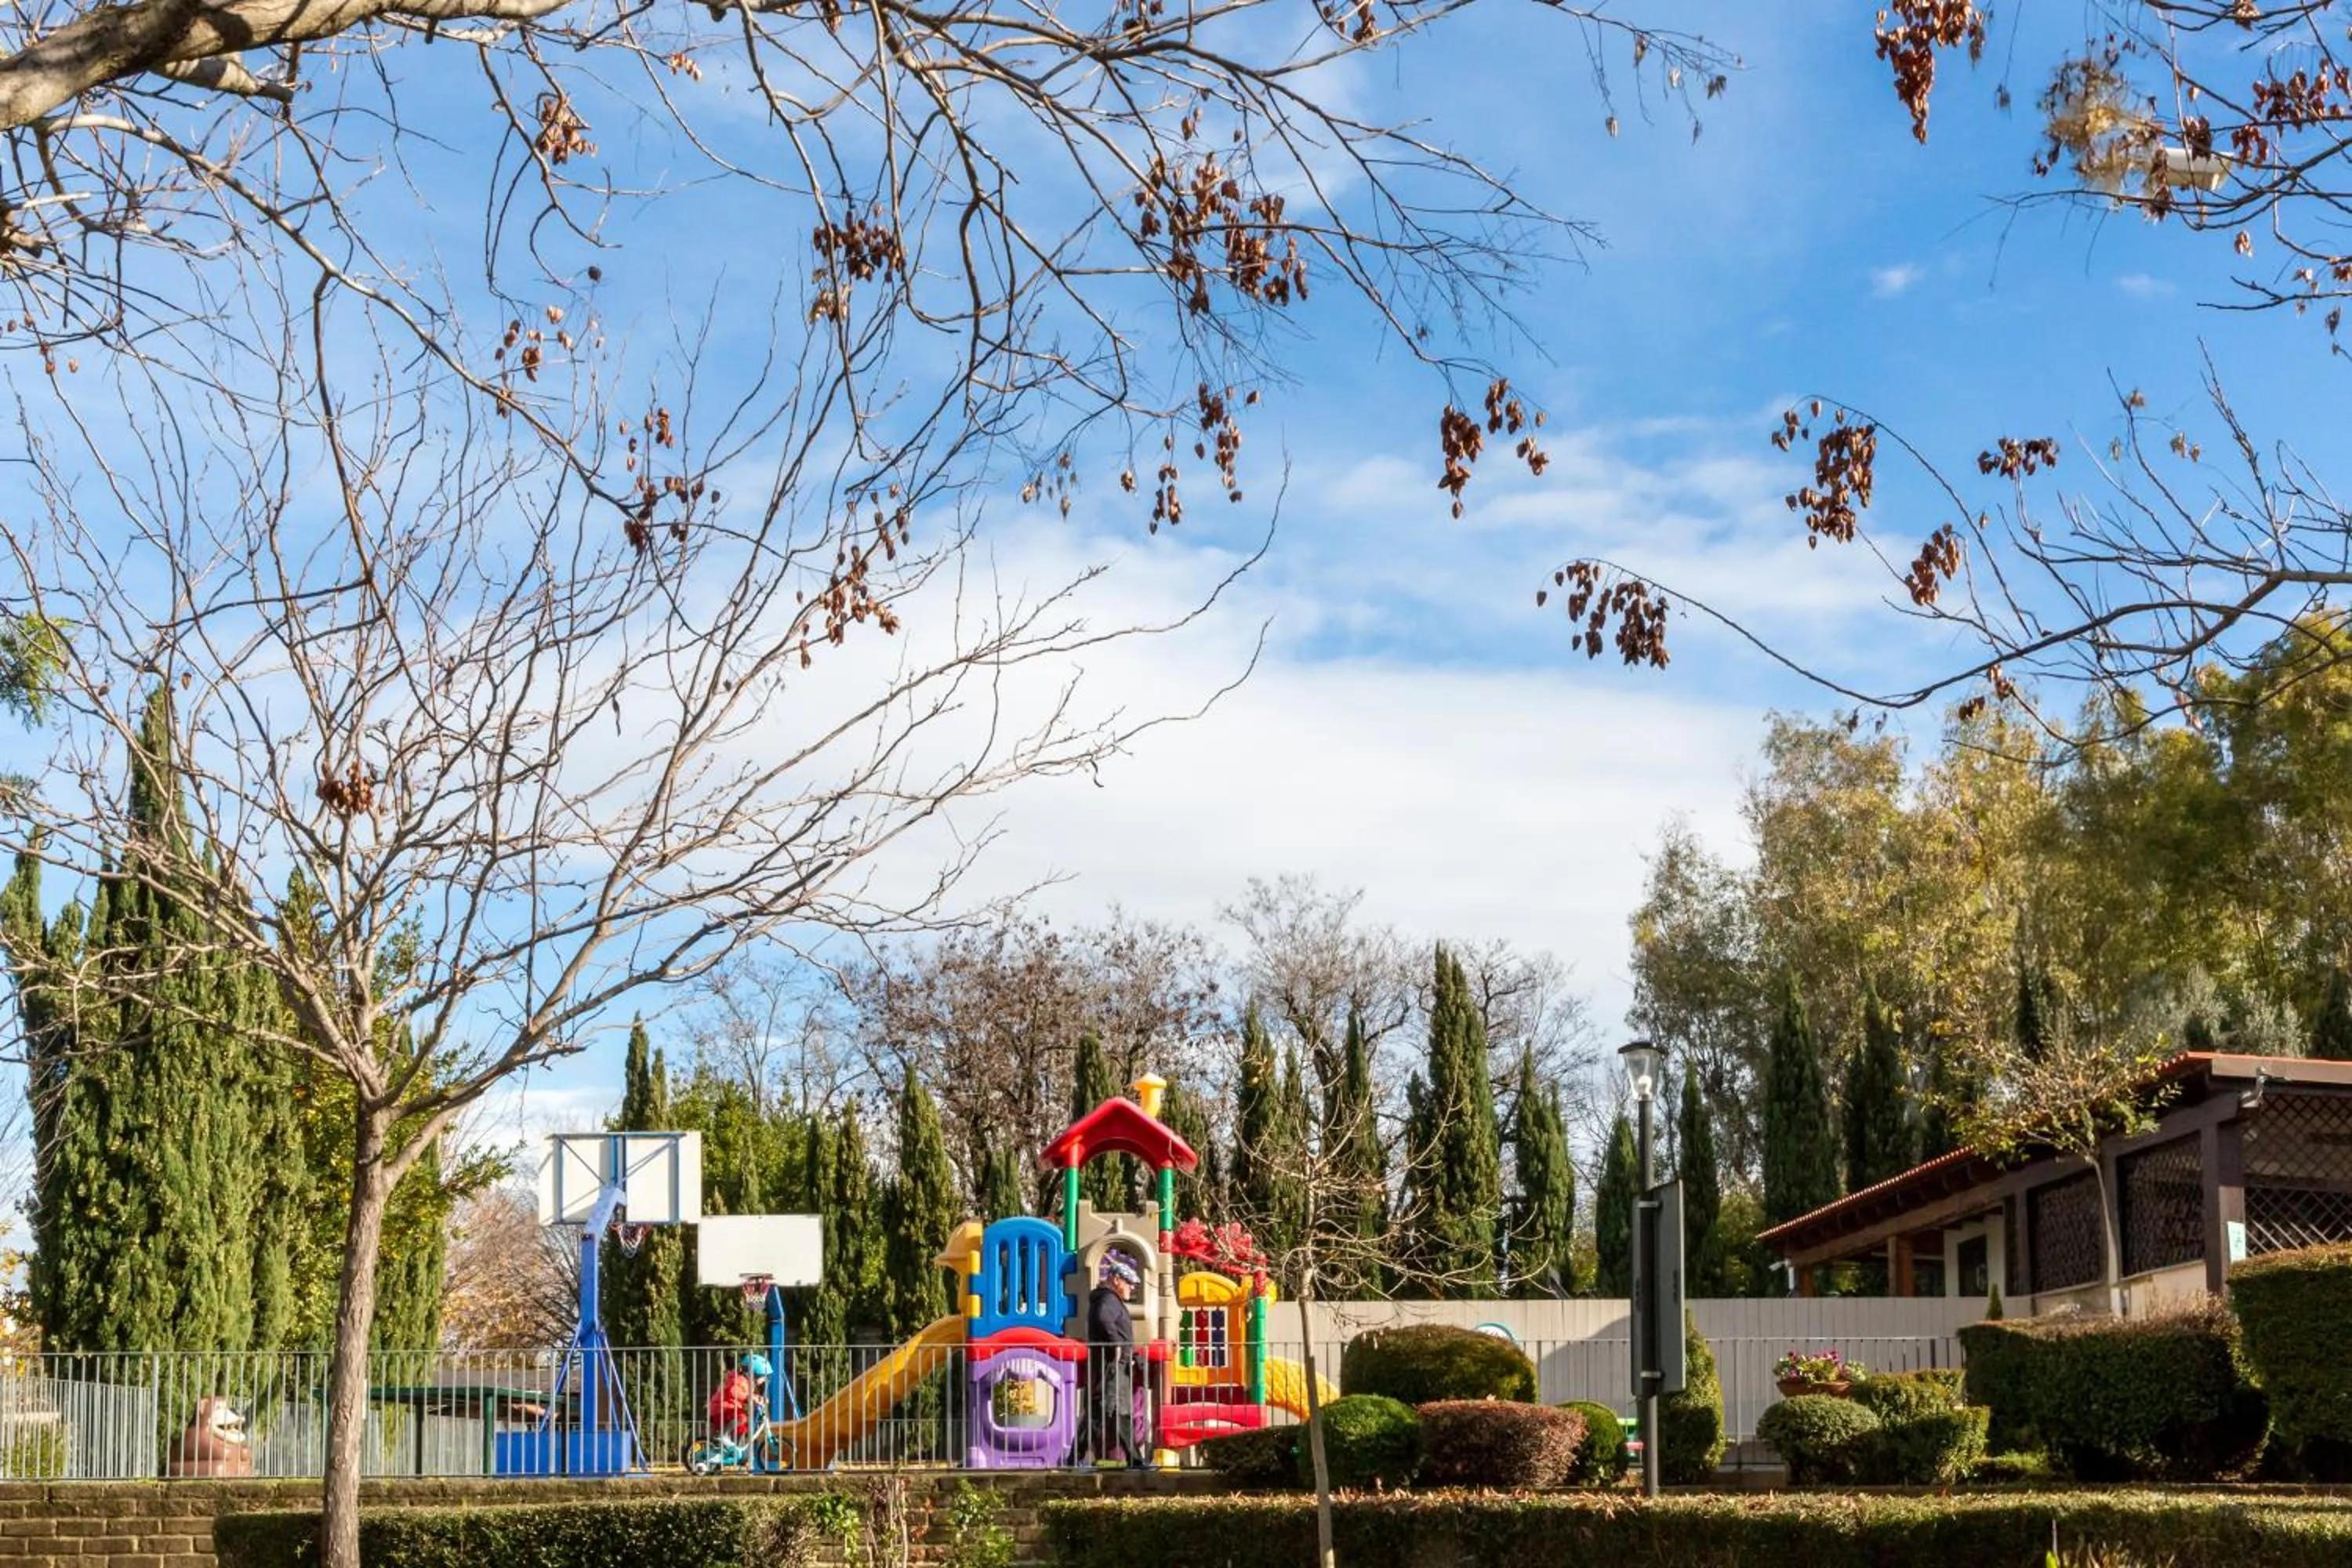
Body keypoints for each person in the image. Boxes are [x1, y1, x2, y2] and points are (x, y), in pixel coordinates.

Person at [1079, 1253, 1145, 1466]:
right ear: (1117, 1280)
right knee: (1108, 1414)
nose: (1132, 1288)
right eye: (1129, 1284)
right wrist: (1116, 1344)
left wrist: (1130, 1353)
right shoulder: (1108, 1300)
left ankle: (1135, 1460)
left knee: (1114, 1415)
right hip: (1111, 1367)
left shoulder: (1109, 1299)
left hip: (1116, 1366)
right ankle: (1135, 1461)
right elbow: (1103, 1318)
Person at [709, 1353, 770, 1444]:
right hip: (722, 1409)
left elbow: (747, 1394)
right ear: (754, 1374)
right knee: (742, 1418)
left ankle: (736, 1451)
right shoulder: (739, 1380)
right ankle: (722, 1435)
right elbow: (734, 1392)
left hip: (730, 1409)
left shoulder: (747, 1383)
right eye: (763, 1376)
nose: (765, 1380)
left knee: (742, 1429)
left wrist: (758, 1398)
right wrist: (750, 1397)